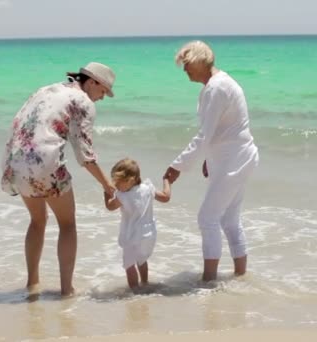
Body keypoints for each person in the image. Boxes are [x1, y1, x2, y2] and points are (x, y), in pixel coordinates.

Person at [1, 62, 117, 297]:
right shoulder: (82, 101)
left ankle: (32, 284)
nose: (102, 98)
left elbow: (19, 122)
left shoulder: (46, 89)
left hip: (16, 160)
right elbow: (85, 155)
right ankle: (66, 290)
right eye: (103, 91)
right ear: (92, 82)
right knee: (67, 224)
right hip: (44, 162)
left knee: (37, 221)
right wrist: (108, 186)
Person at [163, 41, 259, 282]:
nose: (184, 69)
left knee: (207, 218)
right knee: (229, 219)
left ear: (200, 61)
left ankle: (208, 282)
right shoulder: (216, 85)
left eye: (186, 64)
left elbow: (204, 136)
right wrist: (208, 157)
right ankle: (240, 276)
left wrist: (177, 167)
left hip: (234, 159)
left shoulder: (217, 88)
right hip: (236, 156)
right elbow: (216, 131)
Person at [103, 158, 171, 290]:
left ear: (132, 179)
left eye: (119, 182)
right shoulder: (148, 188)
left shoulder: (123, 196)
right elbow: (165, 197)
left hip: (131, 235)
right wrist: (166, 181)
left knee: (129, 265)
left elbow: (110, 206)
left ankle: (134, 291)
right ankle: (144, 283)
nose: (116, 185)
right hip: (149, 234)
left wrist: (106, 193)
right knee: (142, 260)